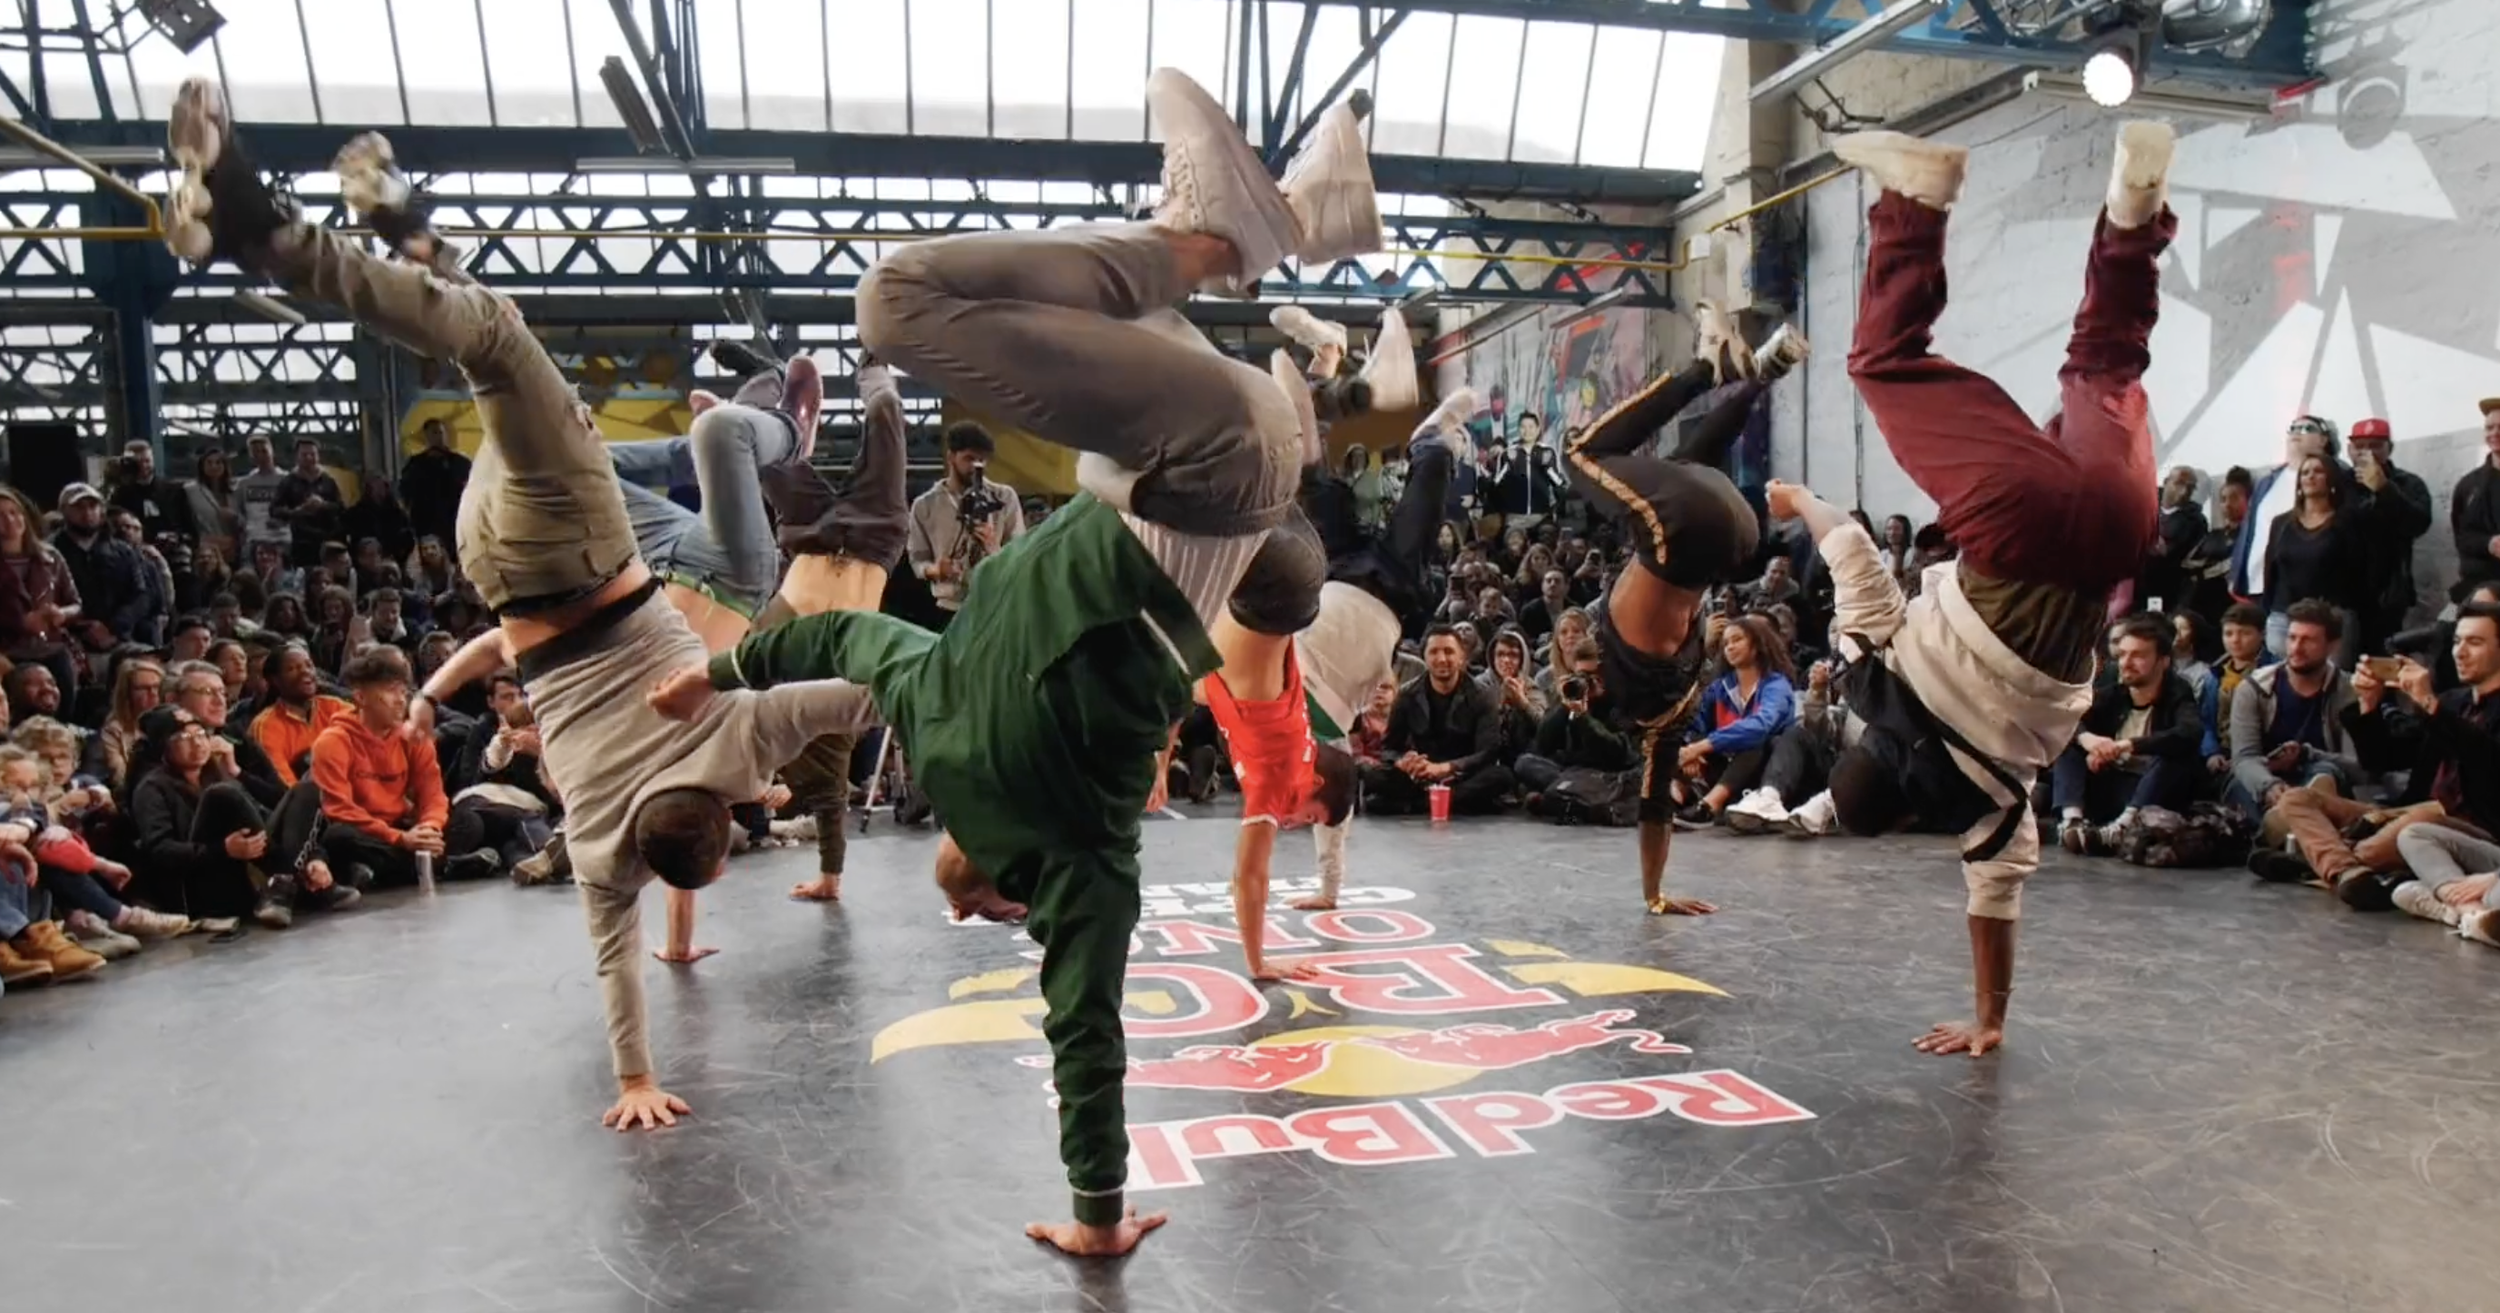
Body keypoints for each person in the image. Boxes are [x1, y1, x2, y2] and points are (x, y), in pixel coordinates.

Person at [640, 67, 1380, 1256]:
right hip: (1189, 466)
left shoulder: (1076, 852)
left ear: (999, 885)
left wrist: (1097, 1215)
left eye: (992, 909)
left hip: (1200, 464)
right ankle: (1225, 238)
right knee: (896, 304)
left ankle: (1275, 225)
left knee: (1061, 326)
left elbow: (1084, 1030)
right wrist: (710, 680)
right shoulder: (939, 712)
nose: (1007, 916)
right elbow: (834, 637)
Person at [164, 77, 890, 1134]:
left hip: (605, 557)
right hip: (501, 563)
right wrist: (633, 1077)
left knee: (508, 350)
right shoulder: (601, 844)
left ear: (726, 807)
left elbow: (861, 695)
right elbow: (614, 961)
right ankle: (412, 232)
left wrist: (980, 676)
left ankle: (264, 232)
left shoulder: (738, 747)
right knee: (516, 374)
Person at [1781, 119, 2175, 1059]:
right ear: (1868, 747)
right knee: (1884, 361)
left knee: (2108, 360)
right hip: (2011, 524)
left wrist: (1990, 1019)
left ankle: (2134, 211)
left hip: (2118, 533)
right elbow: (1853, 551)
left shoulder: (1994, 799)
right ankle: (1915, 203)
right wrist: (1797, 500)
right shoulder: (1872, 678)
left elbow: (1993, 905)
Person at [1560, 303, 1808, 915]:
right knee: (1579, 455)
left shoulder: (1672, 698)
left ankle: (1760, 376)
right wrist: (1652, 894)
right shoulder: (1632, 685)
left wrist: (1656, 892)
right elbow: (1651, 805)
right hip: (1688, 529)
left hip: (1736, 537)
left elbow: (1655, 806)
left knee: (1684, 466)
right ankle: (1705, 369)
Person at [2249, 605, 2500, 906]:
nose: (2460, 652)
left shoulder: (2443, 706)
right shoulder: (2453, 701)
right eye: (2457, 641)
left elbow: (2487, 760)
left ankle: (2318, 862)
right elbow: (2383, 761)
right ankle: (2346, 872)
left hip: (2473, 827)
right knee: (2297, 798)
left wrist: (2430, 706)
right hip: (2406, 812)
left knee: (2416, 823)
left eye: (2475, 642)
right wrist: (2369, 707)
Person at [2050, 613, 2204, 853]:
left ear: (2163, 661)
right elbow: (2064, 718)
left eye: (2138, 655)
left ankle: (2123, 828)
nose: (2126, 662)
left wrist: (2127, 745)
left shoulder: (2178, 693)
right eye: (2122, 655)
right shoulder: (2113, 693)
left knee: (2177, 756)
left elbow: (2190, 733)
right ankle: (2072, 822)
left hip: (2151, 794)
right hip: (2110, 786)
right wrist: (2089, 741)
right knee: (2069, 743)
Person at [2223, 600, 2360, 824]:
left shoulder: (2349, 691)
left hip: (2319, 779)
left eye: (2308, 640)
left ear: (2332, 646)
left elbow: (2360, 768)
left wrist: (2307, 754)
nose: (2296, 648)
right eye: (2292, 638)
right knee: (2244, 784)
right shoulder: (2254, 688)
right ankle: (2284, 825)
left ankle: (2296, 822)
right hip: (2264, 778)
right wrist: (2270, 785)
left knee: (2326, 772)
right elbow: (2244, 758)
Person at [1358, 625, 1515, 816]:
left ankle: (1420, 805)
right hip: (1420, 777)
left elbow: (1487, 752)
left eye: (1449, 652)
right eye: (1434, 652)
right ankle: (1450, 803)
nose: (1441, 659)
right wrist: (1403, 761)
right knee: (1373, 775)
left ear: (1461, 657)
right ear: (1424, 657)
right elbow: (1389, 749)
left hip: (1463, 775)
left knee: (1502, 776)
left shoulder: (1482, 695)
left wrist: (1445, 768)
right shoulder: (1408, 694)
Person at [1670, 614, 1797, 828]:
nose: (1729, 647)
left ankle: (1709, 806)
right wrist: (1693, 749)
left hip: (1765, 772)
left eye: (1737, 640)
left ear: (1757, 646)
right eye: (1726, 643)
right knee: (1671, 744)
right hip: (1727, 768)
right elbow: (1695, 725)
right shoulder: (1719, 688)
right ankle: (1675, 800)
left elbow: (1761, 725)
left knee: (1753, 741)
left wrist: (1703, 746)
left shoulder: (1776, 686)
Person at [907, 421, 1028, 624]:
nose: (976, 466)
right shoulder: (925, 506)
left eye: (982, 460)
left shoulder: (1004, 497)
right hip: (947, 609)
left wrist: (993, 547)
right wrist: (936, 570)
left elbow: (1020, 554)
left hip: (994, 605)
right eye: (969, 458)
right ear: (951, 457)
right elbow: (918, 559)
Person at [2258, 453, 2365, 664]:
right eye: (2305, 472)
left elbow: (2359, 571)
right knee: (2282, 679)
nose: (2310, 476)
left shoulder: (2346, 521)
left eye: (2318, 471)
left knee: (2329, 678)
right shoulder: (2281, 523)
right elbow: (2271, 570)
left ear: (2331, 479)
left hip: (2329, 617)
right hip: (2283, 617)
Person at [2343, 418, 2434, 656]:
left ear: (2389, 448)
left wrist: (2384, 489)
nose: (2367, 453)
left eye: (2375, 445)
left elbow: (2418, 524)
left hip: (2387, 595)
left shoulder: (2408, 483)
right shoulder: (2340, 484)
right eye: (2360, 446)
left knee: (2382, 661)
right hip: (2343, 594)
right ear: (2349, 449)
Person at [0, 486, 82, 701]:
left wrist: (61, 613)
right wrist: (20, 622)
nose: (10, 520)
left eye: (14, 512)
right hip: (8, 655)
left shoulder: (50, 556)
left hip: (52, 649)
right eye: (1, 515)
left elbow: (75, 604)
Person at [2449, 399, 2500, 601]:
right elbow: (2462, 538)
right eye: (2489, 427)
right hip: (2480, 587)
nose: (2495, 433)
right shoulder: (2468, 485)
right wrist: (2489, 544)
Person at [399, 417, 472, 550]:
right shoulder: (415, 465)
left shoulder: (460, 462)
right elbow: (406, 493)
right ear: (426, 437)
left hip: (455, 522)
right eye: (434, 432)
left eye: (441, 432)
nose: (438, 437)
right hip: (427, 524)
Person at [110, 439, 193, 543]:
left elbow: (188, 527)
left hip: (172, 546)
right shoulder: (120, 494)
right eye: (138, 462)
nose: (143, 466)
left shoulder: (174, 490)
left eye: (147, 461)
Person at [183, 446, 241, 564]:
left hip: (233, 549)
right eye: (209, 463)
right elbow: (185, 521)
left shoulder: (236, 490)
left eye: (218, 462)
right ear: (202, 466)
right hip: (206, 549)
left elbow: (247, 518)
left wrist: (235, 517)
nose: (214, 466)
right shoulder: (190, 490)